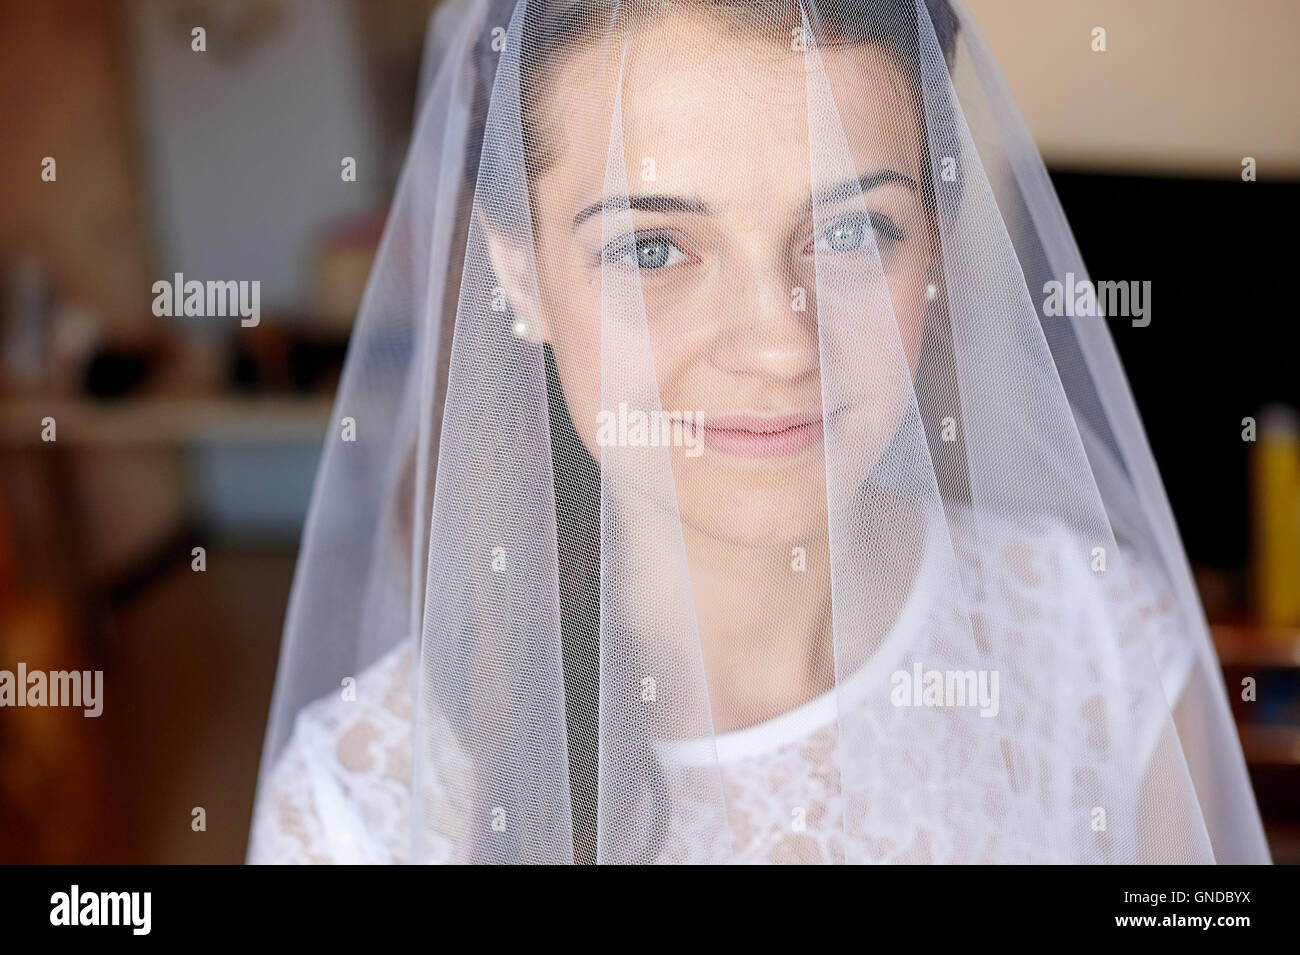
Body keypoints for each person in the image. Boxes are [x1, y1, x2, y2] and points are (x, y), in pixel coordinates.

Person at [247, 0, 1270, 864]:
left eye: (850, 229)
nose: (779, 342)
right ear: (517, 270)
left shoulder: (1099, 646)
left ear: (934, 247)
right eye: (652, 247)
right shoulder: (359, 813)